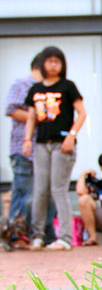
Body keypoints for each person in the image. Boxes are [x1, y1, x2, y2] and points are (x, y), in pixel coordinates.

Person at [23, 46, 87, 251]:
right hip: (42, 144)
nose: (52, 65)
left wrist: (71, 135)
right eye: (49, 61)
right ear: (42, 64)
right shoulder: (35, 89)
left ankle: (66, 238)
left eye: (56, 61)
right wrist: (27, 140)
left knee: (58, 189)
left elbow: (82, 114)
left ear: (62, 64)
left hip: (63, 146)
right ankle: (37, 236)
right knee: (40, 190)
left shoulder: (68, 86)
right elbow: (32, 117)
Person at [4, 52, 57, 248]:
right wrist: (36, 118)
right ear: (41, 65)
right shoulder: (22, 84)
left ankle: (46, 236)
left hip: (45, 148)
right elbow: (10, 109)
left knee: (47, 193)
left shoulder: (48, 89)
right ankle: (14, 236)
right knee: (23, 191)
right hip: (23, 148)